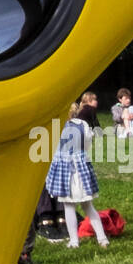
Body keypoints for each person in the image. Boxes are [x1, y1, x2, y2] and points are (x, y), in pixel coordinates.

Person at [44, 94, 109, 250]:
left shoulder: (57, 127)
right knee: (88, 206)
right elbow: (87, 144)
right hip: (81, 169)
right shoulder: (82, 125)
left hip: (65, 171)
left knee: (69, 207)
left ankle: (74, 241)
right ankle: (102, 238)